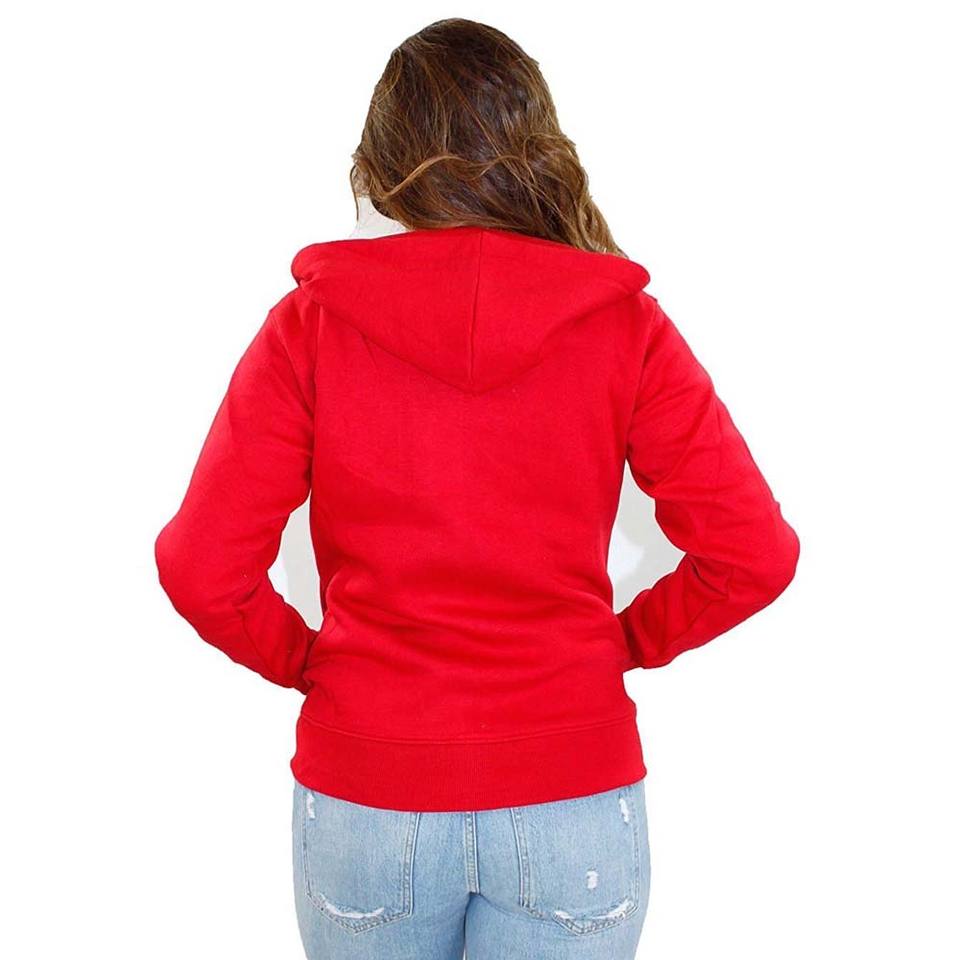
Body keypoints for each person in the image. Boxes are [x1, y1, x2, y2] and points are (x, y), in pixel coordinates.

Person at [154, 17, 800, 960]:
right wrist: (620, 644)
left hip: (368, 793)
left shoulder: (311, 327)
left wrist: (317, 665)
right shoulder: (624, 327)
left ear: (382, 164)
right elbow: (756, 555)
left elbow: (200, 568)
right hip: (572, 790)